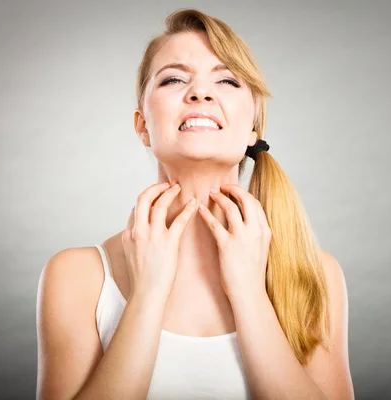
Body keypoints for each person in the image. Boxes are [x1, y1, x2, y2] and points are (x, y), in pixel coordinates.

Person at [36, 8, 354, 400]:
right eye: (173, 79)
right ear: (142, 125)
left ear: (254, 125)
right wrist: (149, 293)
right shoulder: (76, 276)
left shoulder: (316, 272)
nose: (200, 93)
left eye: (226, 80)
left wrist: (249, 293)